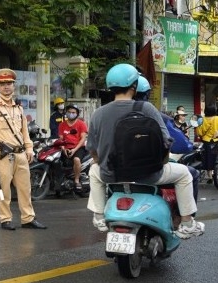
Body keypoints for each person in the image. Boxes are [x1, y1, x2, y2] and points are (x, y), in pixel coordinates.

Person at [86, 64, 203, 238]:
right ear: (134, 86)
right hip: (149, 175)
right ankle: (186, 223)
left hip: (112, 176)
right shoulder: (146, 109)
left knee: (94, 171)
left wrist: (102, 162)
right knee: (185, 174)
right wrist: (161, 162)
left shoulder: (98, 113)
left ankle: (99, 216)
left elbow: (93, 150)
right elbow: (166, 142)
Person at [0, 69, 47, 230]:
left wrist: (29, 149)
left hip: (20, 154)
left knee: (25, 188)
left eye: (9, 83)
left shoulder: (18, 108)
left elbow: (24, 131)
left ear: (14, 86)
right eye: (3, 84)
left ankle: (28, 218)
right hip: (3, 155)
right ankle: (5, 219)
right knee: (3, 189)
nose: (6, 87)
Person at [57, 104, 88, 191]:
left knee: (76, 160)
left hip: (78, 147)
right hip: (66, 147)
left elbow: (83, 139)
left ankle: (77, 180)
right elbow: (61, 139)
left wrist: (74, 150)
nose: (71, 114)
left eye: (73, 112)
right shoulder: (62, 125)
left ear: (77, 114)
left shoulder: (81, 124)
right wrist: (64, 149)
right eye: (69, 112)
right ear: (66, 113)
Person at [196, 104, 218, 184]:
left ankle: (210, 177)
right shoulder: (217, 118)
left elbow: (199, 133)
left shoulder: (201, 120)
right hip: (216, 141)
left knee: (208, 159)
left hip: (207, 143)